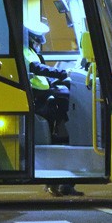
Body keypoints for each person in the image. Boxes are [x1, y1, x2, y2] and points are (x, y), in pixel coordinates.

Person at [23, 21, 83, 197]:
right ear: (31, 39)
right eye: (38, 40)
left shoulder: (31, 51)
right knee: (60, 134)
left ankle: (58, 182)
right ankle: (58, 180)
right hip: (37, 100)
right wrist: (64, 74)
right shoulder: (26, 52)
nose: (40, 43)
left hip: (41, 95)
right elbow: (38, 69)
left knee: (61, 116)